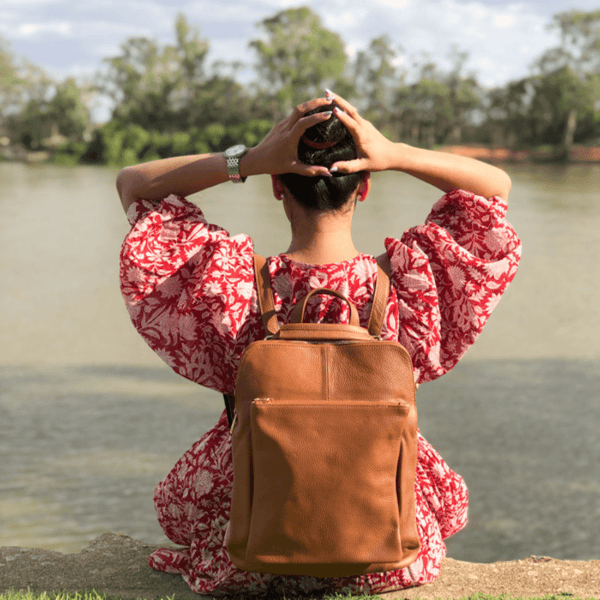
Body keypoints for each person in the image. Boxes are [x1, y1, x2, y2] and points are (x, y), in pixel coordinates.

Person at [117, 93, 521, 596]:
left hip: (250, 538)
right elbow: (493, 192)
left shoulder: (231, 284)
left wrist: (249, 159)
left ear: (276, 189)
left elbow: (135, 185)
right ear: (365, 187)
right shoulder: (412, 282)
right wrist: (395, 152)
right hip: (386, 542)